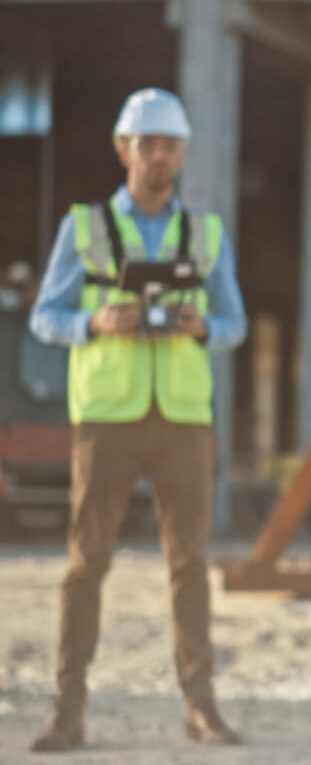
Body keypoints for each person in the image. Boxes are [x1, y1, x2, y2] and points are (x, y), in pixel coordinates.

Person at [27, 87, 247, 752]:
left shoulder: (206, 234)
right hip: (107, 418)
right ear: (124, 149)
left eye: (169, 145)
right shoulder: (84, 228)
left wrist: (202, 326)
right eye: (147, 144)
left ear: (183, 153)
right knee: (86, 564)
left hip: (182, 418)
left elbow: (234, 322)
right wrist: (93, 321)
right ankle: (67, 712)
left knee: (190, 564)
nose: (158, 156)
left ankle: (200, 708)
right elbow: (45, 316)